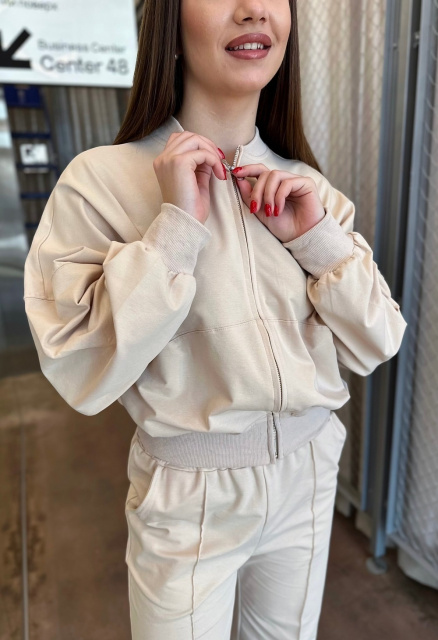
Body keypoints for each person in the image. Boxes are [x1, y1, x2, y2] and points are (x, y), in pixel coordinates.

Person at [23, 0, 408, 638]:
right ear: (169, 23)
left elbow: (380, 339)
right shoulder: (100, 181)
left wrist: (316, 240)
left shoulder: (307, 187)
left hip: (311, 467)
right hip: (189, 488)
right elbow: (78, 364)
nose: (254, 9)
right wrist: (174, 230)